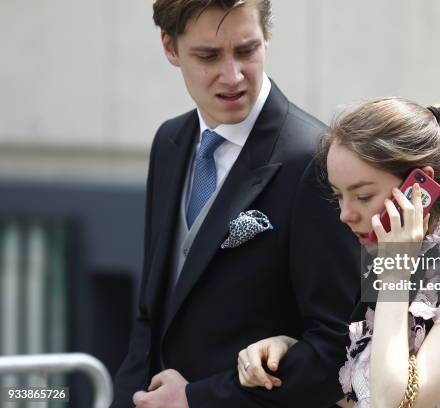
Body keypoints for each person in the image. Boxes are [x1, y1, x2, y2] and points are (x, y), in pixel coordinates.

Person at [111, 1, 360, 407]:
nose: (233, 76)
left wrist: (195, 399)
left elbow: (338, 347)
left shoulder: (314, 159)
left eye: (246, 51)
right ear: (170, 48)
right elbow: (151, 315)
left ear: (267, 39)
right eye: (208, 56)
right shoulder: (169, 142)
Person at [237, 98, 440, 407]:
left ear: (419, 190)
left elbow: (391, 401)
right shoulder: (396, 269)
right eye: (338, 196)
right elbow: (366, 393)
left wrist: (395, 268)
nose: (345, 214)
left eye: (362, 195)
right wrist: (287, 349)